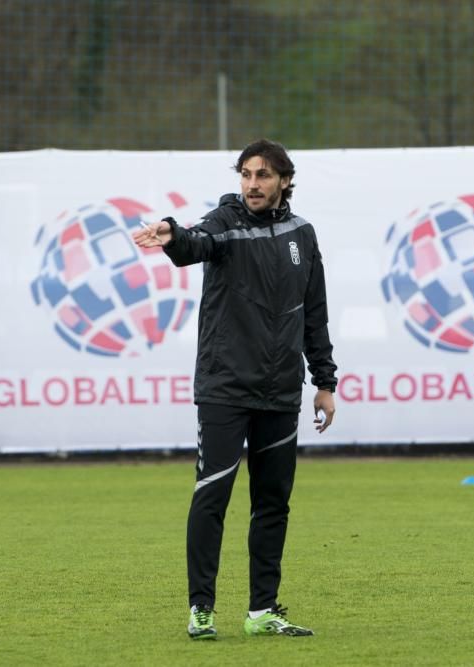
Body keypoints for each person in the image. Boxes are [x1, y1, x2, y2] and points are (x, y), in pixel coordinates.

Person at [132, 139, 339, 640]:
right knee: (212, 498)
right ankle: (201, 609)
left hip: (281, 393)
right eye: (246, 174)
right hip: (225, 389)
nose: (253, 184)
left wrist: (325, 382)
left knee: (273, 503)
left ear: (285, 180)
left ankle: (263, 611)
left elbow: (315, 314)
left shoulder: (302, 234)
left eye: (264, 175)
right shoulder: (226, 223)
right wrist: (172, 234)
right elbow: (196, 243)